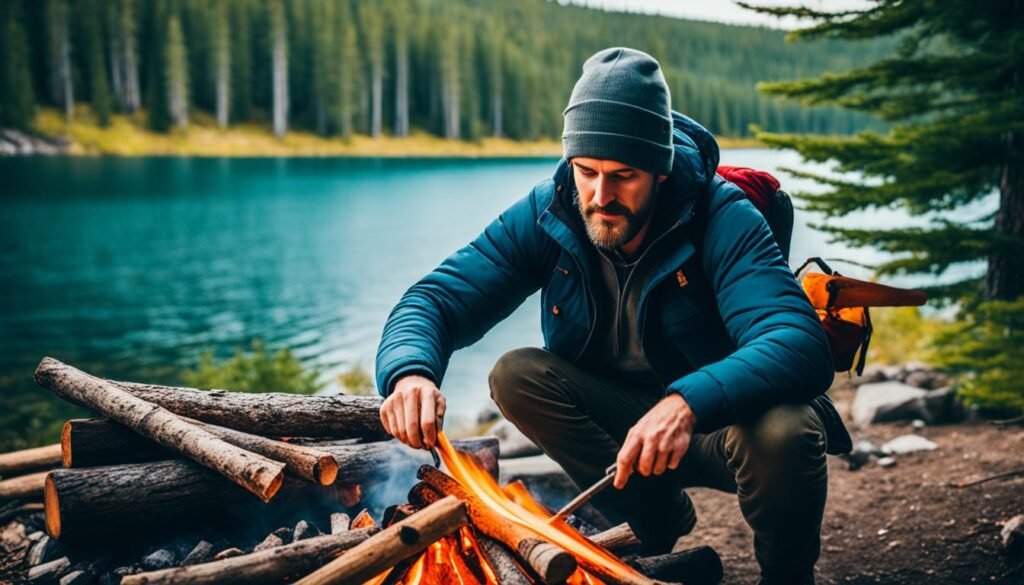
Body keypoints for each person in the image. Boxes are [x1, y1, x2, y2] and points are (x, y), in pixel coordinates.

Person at [374, 47, 851, 585]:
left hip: (723, 427)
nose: (602, 196)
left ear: (662, 170)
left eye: (624, 175)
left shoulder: (722, 217)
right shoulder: (549, 211)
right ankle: (653, 518)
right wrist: (410, 372)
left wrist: (686, 403)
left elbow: (796, 340)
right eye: (586, 171)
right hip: (626, 429)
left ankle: (788, 576)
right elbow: (436, 299)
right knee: (516, 374)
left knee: (786, 428)